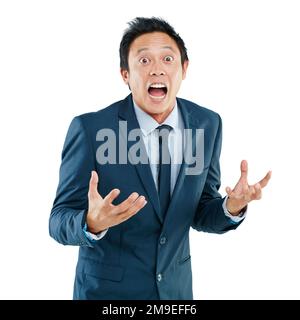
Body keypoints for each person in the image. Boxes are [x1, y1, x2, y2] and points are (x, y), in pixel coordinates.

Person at [49, 17, 271, 300]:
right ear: (125, 74)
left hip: (175, 294)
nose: (157, 69)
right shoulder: (91, 129)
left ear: (184, 69)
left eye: (168, 58)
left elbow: (201, 211)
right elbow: (58, 220)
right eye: (143, 61)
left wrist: (231, 207)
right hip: (106, 294)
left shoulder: (207, 123)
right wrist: (90, 223)